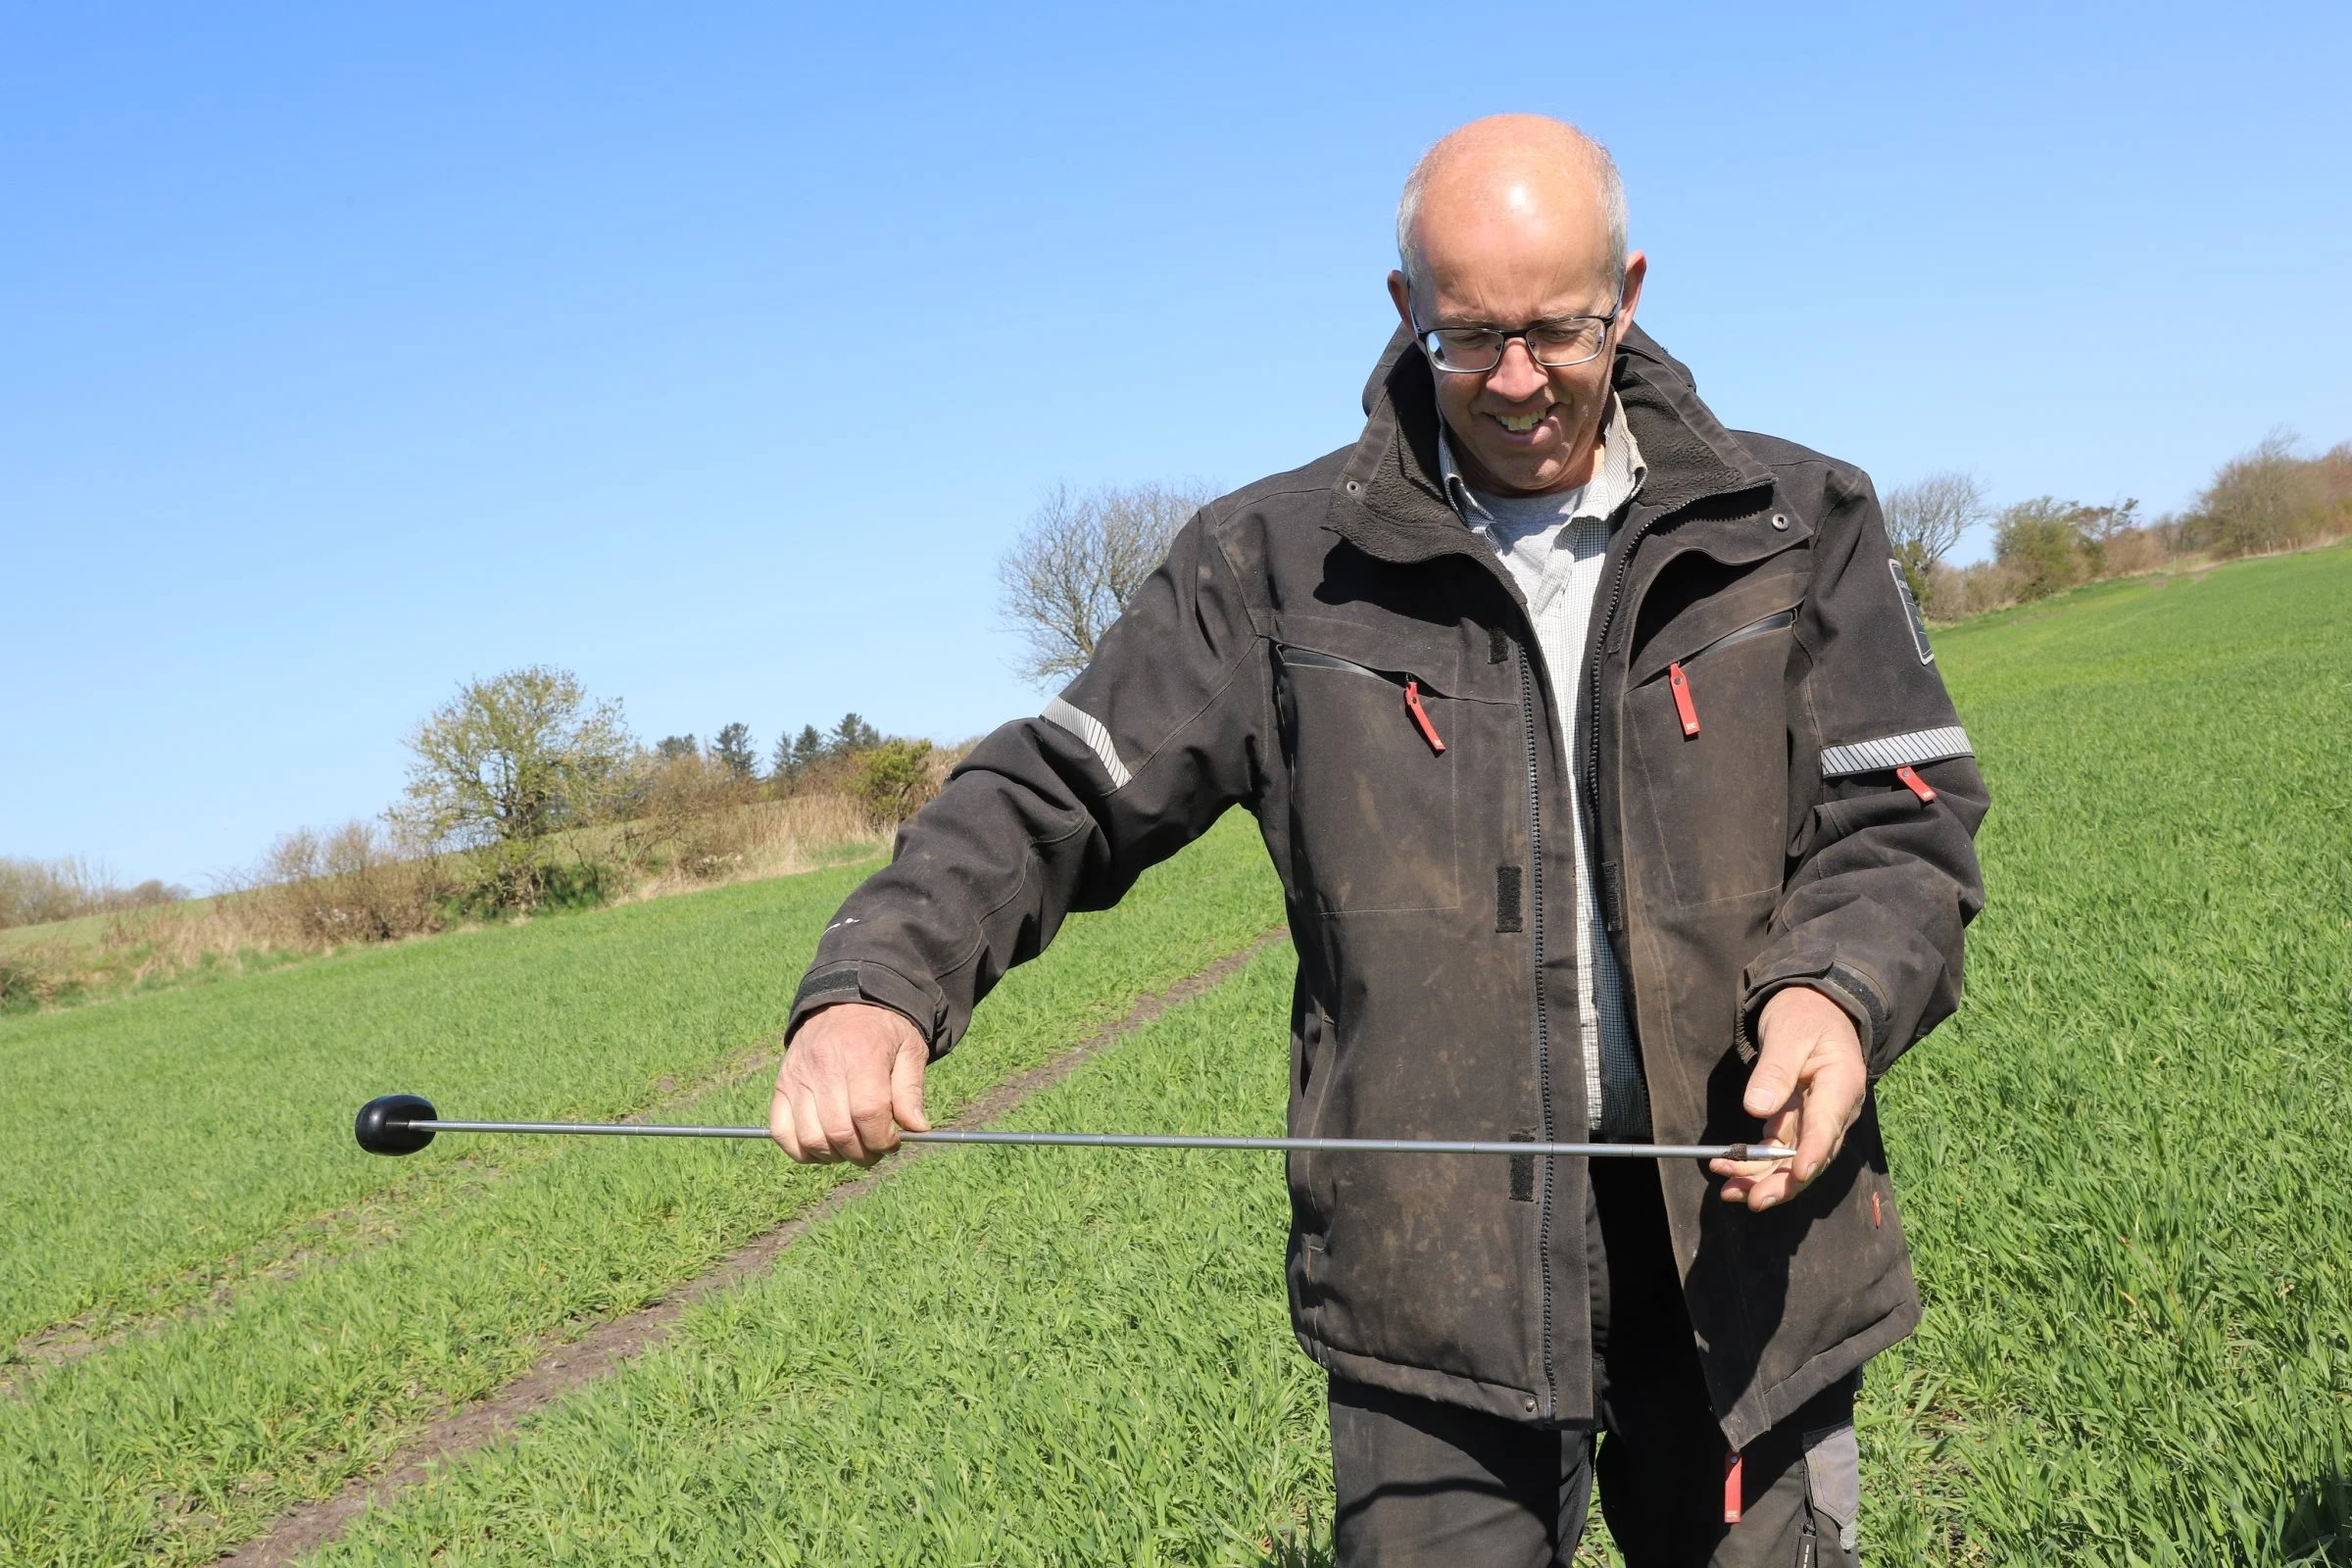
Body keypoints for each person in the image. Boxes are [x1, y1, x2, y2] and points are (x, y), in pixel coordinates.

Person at [768, 114, 1986, 1567]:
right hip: (1434, 1295)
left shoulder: (1794, 521)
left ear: (1633, 293)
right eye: (1470, 337)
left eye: (1557, 330)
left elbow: (1903, 821)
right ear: (1405, 308)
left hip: (1741, 1251)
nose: (1519, 380)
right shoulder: (1272, 563)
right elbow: (1057, 789)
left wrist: (1832, 996)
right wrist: (876, 982)